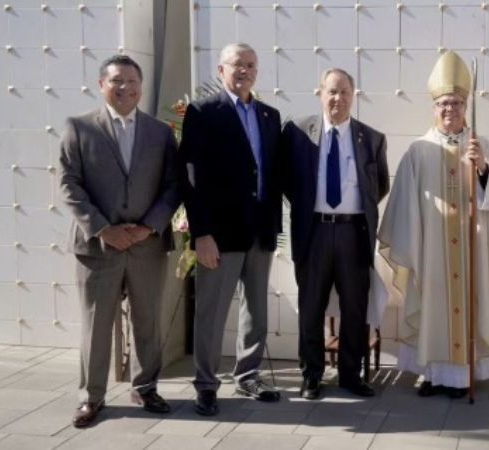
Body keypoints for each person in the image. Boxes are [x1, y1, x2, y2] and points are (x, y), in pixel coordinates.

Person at [377, 51, 489, 398]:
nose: (449, 109)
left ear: (466, 106)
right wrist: (413, 241)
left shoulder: (482, 146)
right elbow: (403, 201)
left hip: (472, 248)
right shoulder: (419, 150)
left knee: (468, 307)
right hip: (431, 250)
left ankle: (461, 377)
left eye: (456, 102)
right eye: (443, 103)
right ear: (433, 107)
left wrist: (483, 169)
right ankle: (433, 375)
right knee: (432, 308)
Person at [59, 54, 179, 427]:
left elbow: (173, 186)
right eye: (116, 81)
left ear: (141, 87)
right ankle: (90, 398)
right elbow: (68, 184)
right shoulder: (79, 127)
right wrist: (103, 229)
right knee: (96, 326)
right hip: (98, 246)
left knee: (148, 321)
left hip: (147, 244)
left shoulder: (160, 133)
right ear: (101, 85)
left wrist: (148, 227)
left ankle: (145, 388)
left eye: (132, 81)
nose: (125, 87)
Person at [180, 43, 284, 415]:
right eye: (237, 64)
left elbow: (272, 172)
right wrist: (201, 234)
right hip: (218, 236)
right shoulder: (203, 112)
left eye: (251, 65)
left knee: (256, 311)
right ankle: (206, 386)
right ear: (221, 70)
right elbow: (191, 176)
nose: (245, 71)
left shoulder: (269, 115)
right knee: (211, 314)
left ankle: (248, 376)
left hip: (260, 232)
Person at [282, 68, 390, 400]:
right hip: (313, 232)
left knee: (355, 307)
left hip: (353, 233)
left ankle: (350, 376)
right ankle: (312, 375)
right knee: (311, 305)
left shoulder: (371, 138)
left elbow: (380, 185)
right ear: (320, 93)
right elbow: (286, 180)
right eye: (332, 91)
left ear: (353, 96)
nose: (337, 98)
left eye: (344, 92)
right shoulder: (297, 132)